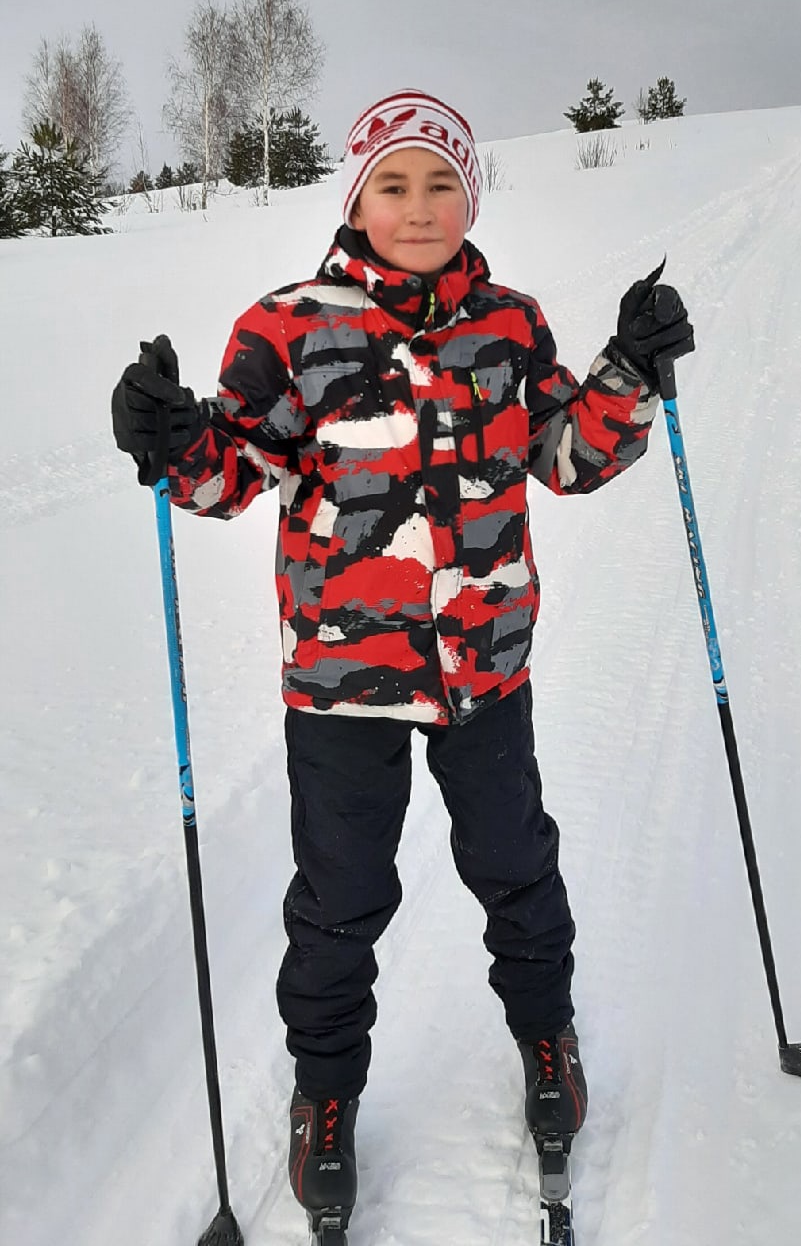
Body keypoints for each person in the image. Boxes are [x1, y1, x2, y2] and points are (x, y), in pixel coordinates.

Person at [111, 89, 692, 1234]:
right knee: (339, 900)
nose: (418, 206)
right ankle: (325, 1093)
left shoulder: (510, 325)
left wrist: (629, 370)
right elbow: (235, 471)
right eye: (394, 183)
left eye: (441, 183)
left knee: (515, 866)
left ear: (470, 199)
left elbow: (566, 456)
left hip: (486, 668)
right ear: (356, 199)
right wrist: (174, 441)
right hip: (341, 682)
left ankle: (547, 1039)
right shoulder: (286, 329)